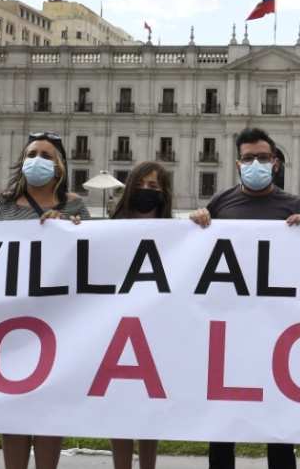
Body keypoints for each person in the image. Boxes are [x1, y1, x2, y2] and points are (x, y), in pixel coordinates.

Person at [0, 131, 89, 469]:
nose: (38, 160)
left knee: (48, 411)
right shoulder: (3, 201)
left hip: (57, 324)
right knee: (12, 410)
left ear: (60, 166)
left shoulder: (75, 205)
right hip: (9, 324)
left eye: (47, 155)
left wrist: (73, 227)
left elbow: (91, 255)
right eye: (33, 153)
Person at [189, 127, 300, 469]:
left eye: (262, 157)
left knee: (278, 418)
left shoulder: (292, 205)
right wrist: (197, 222)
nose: (255, 163)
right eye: (248, 158)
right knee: (223, 419)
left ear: (275, 162)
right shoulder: (221, 203)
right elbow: (200, 253)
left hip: (276, 328)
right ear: (238, 163)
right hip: (229, 328)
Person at [109, 161, 173, 469]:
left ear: (164, 194)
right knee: (119, 409)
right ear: (130, 186)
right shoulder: (108, 230)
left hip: (156, 330)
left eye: (154, 187)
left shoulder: (178, 233)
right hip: (114, 331)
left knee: (150, 411)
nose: (147, 192)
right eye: (142, 185)